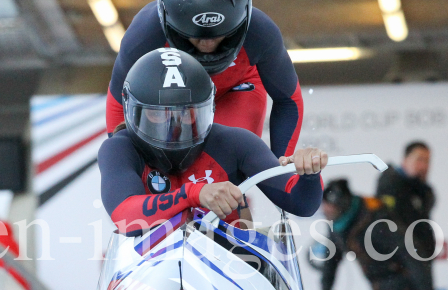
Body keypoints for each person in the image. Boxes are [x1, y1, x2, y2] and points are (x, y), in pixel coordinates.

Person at [98, 49, 325, 235]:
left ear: (207, 109)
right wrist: (194, 194)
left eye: (186, 113)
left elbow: (301, 203)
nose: (174, 129)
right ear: (133, 111)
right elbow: (125, 217)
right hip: (150, 273)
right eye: (159, 114)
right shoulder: (119, 148)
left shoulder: (234, 143)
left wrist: (309, 174)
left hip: (233, 265)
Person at [105, 0, 304, 160]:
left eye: (220, 36)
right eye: (195, 37)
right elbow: (120, 102)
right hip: (174, 104)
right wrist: (124, 161)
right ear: (170, 26)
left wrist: (281, 167)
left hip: (235, 91)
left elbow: (288, 100)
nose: (208, 45)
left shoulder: (261, 33)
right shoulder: (144, 36)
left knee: (227, 162)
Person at [313, 179, 427, 290]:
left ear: (341, 204)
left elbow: (410, 252)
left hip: (403, 288)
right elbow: (330, 264)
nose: (325, 210)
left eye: (329, 206)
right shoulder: (338, 224)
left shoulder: (376, 218)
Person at [376, 141, 437, 290]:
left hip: (421, 261)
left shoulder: (422, 189)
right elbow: (394, 232)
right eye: (419, 159)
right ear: (405, 160)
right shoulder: (390, 184)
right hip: (401, 269)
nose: (424, 166)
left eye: (427, 161)